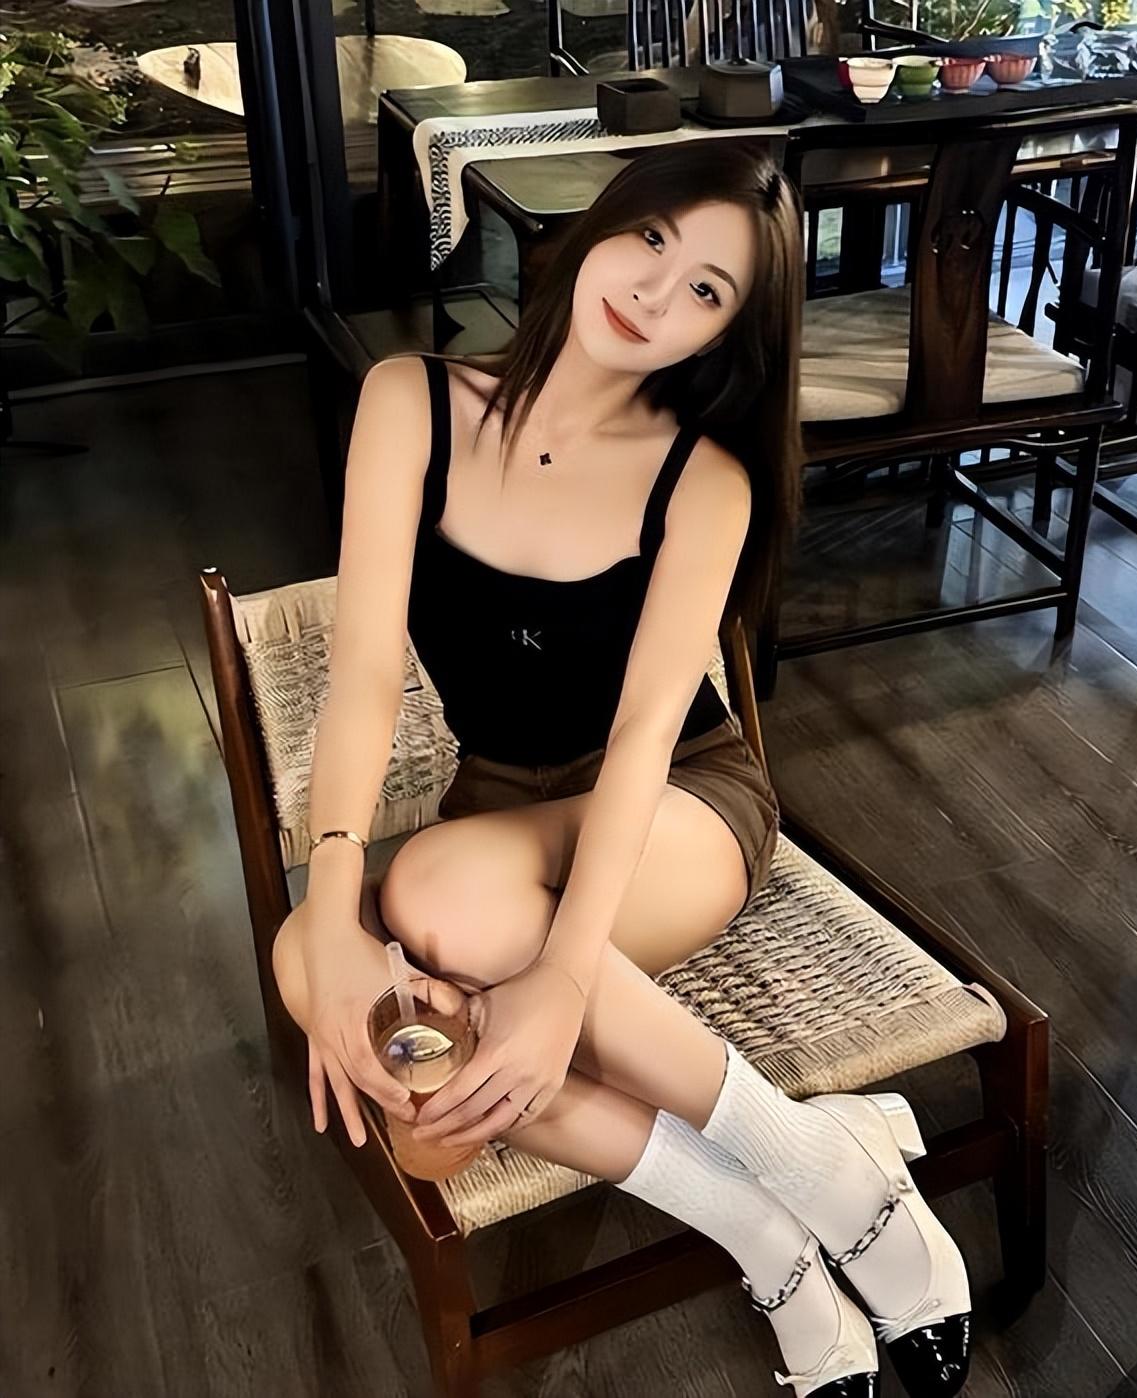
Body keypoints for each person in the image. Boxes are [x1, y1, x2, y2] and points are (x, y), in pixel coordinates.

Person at [271, 140, 971, 1398]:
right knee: (404, 1094)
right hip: (499, 808)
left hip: (680, 800)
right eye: (652, 240)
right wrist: (326, 912)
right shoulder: (409, 400)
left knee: (431, 903)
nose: (655, 293)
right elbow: (366, 671)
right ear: (600, 225)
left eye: (706, 289)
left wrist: (559, 977)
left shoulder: (704, 480)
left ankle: (823, 1189)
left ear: (727, 335)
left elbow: (647, 734)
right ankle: (775, 1203)